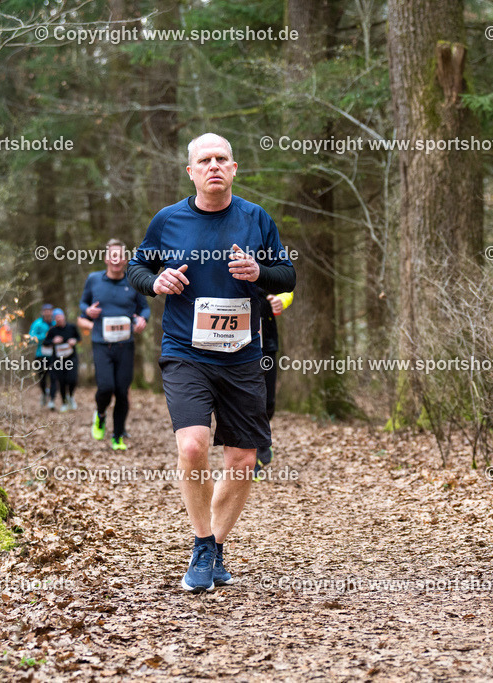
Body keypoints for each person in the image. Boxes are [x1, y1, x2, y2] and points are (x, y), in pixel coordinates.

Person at [127, 133, 296, 593]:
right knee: (193, 447)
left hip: (243, 355)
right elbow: (137, 268)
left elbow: (287, 274)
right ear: (191, 172)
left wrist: (260, 273)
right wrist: (156, 281)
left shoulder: (255, 219)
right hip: (186, 351)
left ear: (234, 168)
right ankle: (202, 543)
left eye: (222, 158)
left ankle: (214, 547)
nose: (214, 165)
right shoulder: (169, 220)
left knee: (243, 459)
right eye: (205, 160)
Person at [79, 239, 150, 450]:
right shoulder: (93, 280)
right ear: (106, 258)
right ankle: (100, 415)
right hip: (101, 343)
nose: (116, 260)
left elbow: (144, 309)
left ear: (125, 259)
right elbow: (83, 305)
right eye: (113, 255)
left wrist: (142, 319)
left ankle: (117, 435)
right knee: (106, 387)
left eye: (120, 256)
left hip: (125, 345)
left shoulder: (133, 281)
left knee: (121, 391)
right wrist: (88, 311)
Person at [253, 287, 293, 480]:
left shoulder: (268, 256)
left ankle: (262, 437)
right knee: (244, 400)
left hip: (266, 341)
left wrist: (281, 300)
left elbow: (287, 288)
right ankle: (251, 457)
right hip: (235, 341)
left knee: (268, 402)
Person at [46, 308, 80, 412]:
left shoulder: (72, 327)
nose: (59, 319)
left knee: (72, 379)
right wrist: (53, 340)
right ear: (54, 319)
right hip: (58, 360)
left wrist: (74, 341)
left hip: (71, 358)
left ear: (64, 316)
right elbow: (45, 342)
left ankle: (71, 396)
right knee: (62, 381)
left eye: (60, 316)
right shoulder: (52, 330)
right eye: (56, 318)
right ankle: (64, 402)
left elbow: (79, 338)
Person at [28, 303, 57, 409]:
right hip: (40, 355)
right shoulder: (37, 324)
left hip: (54, 356)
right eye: (46, 310)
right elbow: (31, 338)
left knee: (54, 378)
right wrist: (44, 337)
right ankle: (44, 393)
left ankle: (52, 400)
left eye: (50, 310)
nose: (48, 312)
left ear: (52, 311)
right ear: (42, 312)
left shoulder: (55, 323)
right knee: (42, 378)